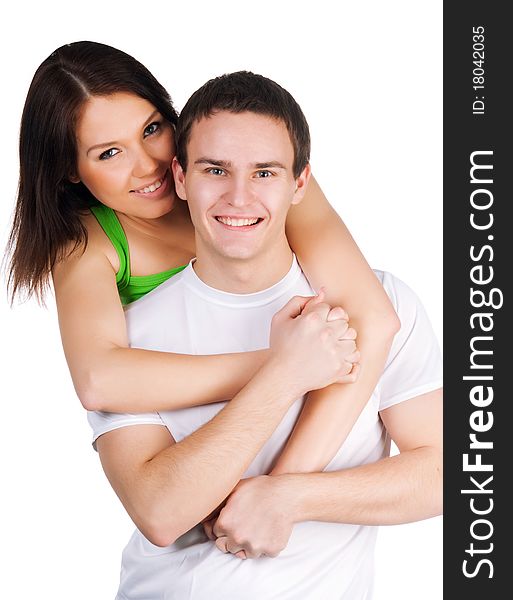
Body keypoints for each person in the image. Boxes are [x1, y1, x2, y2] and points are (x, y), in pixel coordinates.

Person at [88, 71, 443, 599]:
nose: (238, 196)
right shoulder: (134, 333)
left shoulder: (380, 302)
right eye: (215, 170)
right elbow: (159, 512)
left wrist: (289, 497)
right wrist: (284, 373)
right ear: (181, 179)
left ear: (300, 183)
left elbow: (445, 471)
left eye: (264, 172)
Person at [6, 40, 399, 476]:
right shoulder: (89, 244)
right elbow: (100, 382)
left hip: (309, 428)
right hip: (206, 439)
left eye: (151, 129)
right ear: (70, 169)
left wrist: (279, 487)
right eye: (109, 153)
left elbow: (373, 319)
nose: (148, 165)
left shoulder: (246, 171)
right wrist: (284, 363)